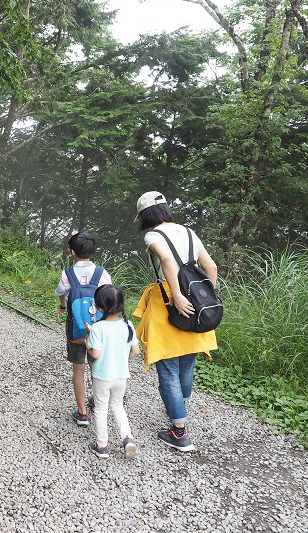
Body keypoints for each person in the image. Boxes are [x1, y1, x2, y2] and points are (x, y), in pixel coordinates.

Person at [132, 191, 218, 452]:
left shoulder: (152, 235)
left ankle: (179, 433)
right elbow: (211, 266)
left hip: (169, 302)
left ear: (145, 215)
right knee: (187, 361)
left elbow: (168, 260)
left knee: (167, 368)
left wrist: (178, 296)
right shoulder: (189, 232)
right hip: (198, 300)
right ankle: (179, 408)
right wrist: (205, 298)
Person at [56, 232, 112, 426]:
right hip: (98, 329)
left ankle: (82, 413)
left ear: (72, 252)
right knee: (95, 366)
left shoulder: (67, 274)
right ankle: (97, 400)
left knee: (78, 369)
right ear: (92, 252)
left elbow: (61, 294)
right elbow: (109, 299)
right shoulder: (102, 273)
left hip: (76, 329)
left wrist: (63, 307)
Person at [86, 284, 141, 458]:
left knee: (101, 408)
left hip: (102, 376)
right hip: (121, 375)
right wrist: (122, 361)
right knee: (117, 405)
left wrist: (87, 344)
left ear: (100, 307)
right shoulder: (128, 324)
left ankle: (102, 446)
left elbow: (96, 353)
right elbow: (136, 351)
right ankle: (128, 438)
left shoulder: (98, 327)